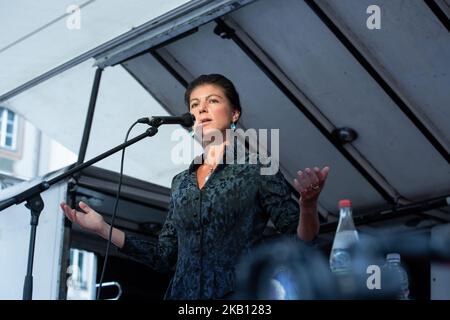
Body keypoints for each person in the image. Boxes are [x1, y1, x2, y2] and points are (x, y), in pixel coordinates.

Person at [60, 74, 330, 300]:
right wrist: (102, 228)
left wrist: (308, 205)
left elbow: (303, 241)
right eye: (195, 104)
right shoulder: (181, 182)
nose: (201, 109)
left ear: (235, 113)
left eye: (213, 101)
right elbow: (164, 256)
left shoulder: (258, 168)